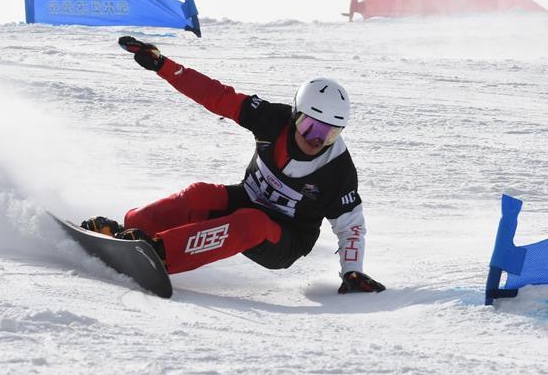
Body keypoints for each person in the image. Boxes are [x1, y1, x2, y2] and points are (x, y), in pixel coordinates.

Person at [82, 36, 385, 295]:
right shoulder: (270, 119)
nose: (317, 140)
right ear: (295, 115)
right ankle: (129, 231)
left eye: (329, 133)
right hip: (249, 198)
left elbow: (351, 226)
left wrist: (352, 272)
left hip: (285, 237)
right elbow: (216, 95)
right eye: (310, 127)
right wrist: (164, 65)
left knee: (249, 221)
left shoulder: (338, 169)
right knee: (201, 194)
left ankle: (160, 254)